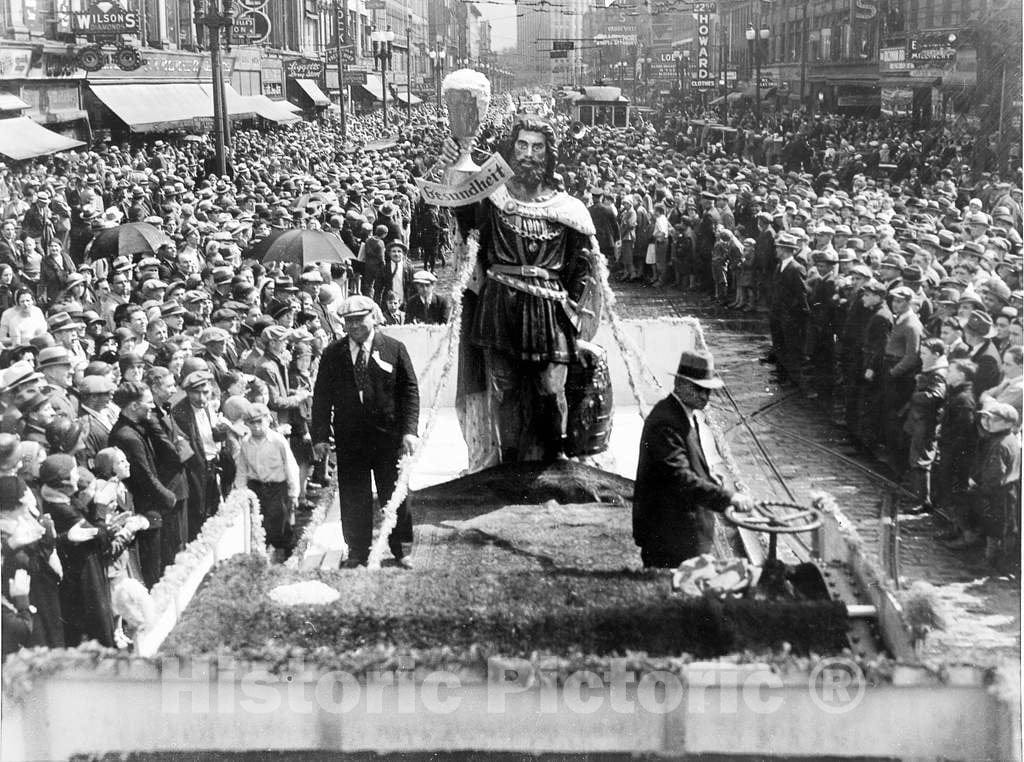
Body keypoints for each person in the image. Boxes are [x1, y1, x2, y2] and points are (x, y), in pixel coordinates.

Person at [441, 116, 602, 464]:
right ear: (512, 150)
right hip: (502, 307)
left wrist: (574, 316)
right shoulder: (493, 198)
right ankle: (509, 470)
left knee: (550, 389)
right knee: (506, 392)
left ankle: (553, 464)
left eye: (537, 147)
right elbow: (462, 214)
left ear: (548, 154)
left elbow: (584, 267)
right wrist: (457, 160)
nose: (528, 154)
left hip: (550, 312)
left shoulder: (568, 209)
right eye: (522, 146)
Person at [311, 295, 419, 568]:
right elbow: (321, 397)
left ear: (374, 317)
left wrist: (409, 431)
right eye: (349, 321)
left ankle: (401, 548)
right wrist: (321, 436)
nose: (355, 325)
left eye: (360, 319)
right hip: (351, 440)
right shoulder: (333, 353)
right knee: (354, 496)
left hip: (388, 438)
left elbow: (409, 391)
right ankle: (357, 550)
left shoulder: (394, 348)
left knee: (395, 494)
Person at [633, 348, 756, 567]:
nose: (704, 396)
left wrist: (710, 478)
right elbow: (679, 479)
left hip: (682, 534)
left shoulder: (683, 414)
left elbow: (687, 466)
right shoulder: (666, 423)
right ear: (679, 383)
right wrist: (729, 498)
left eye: (708, 391)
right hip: (671, 540)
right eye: (698, 389)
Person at [234, 402, 300, 557]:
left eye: (259, 422)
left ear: (268, 420)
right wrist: (240, 492)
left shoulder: (277, 441)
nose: (256, 427)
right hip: (256, 487)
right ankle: (265, 557)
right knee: (260, 524)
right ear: (246, 424)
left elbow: (291, 466)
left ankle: (288, 556)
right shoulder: (245, 443)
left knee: (280, 523)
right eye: (252, 423)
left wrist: (294, 492)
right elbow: (242, 469)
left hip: (277, 487)